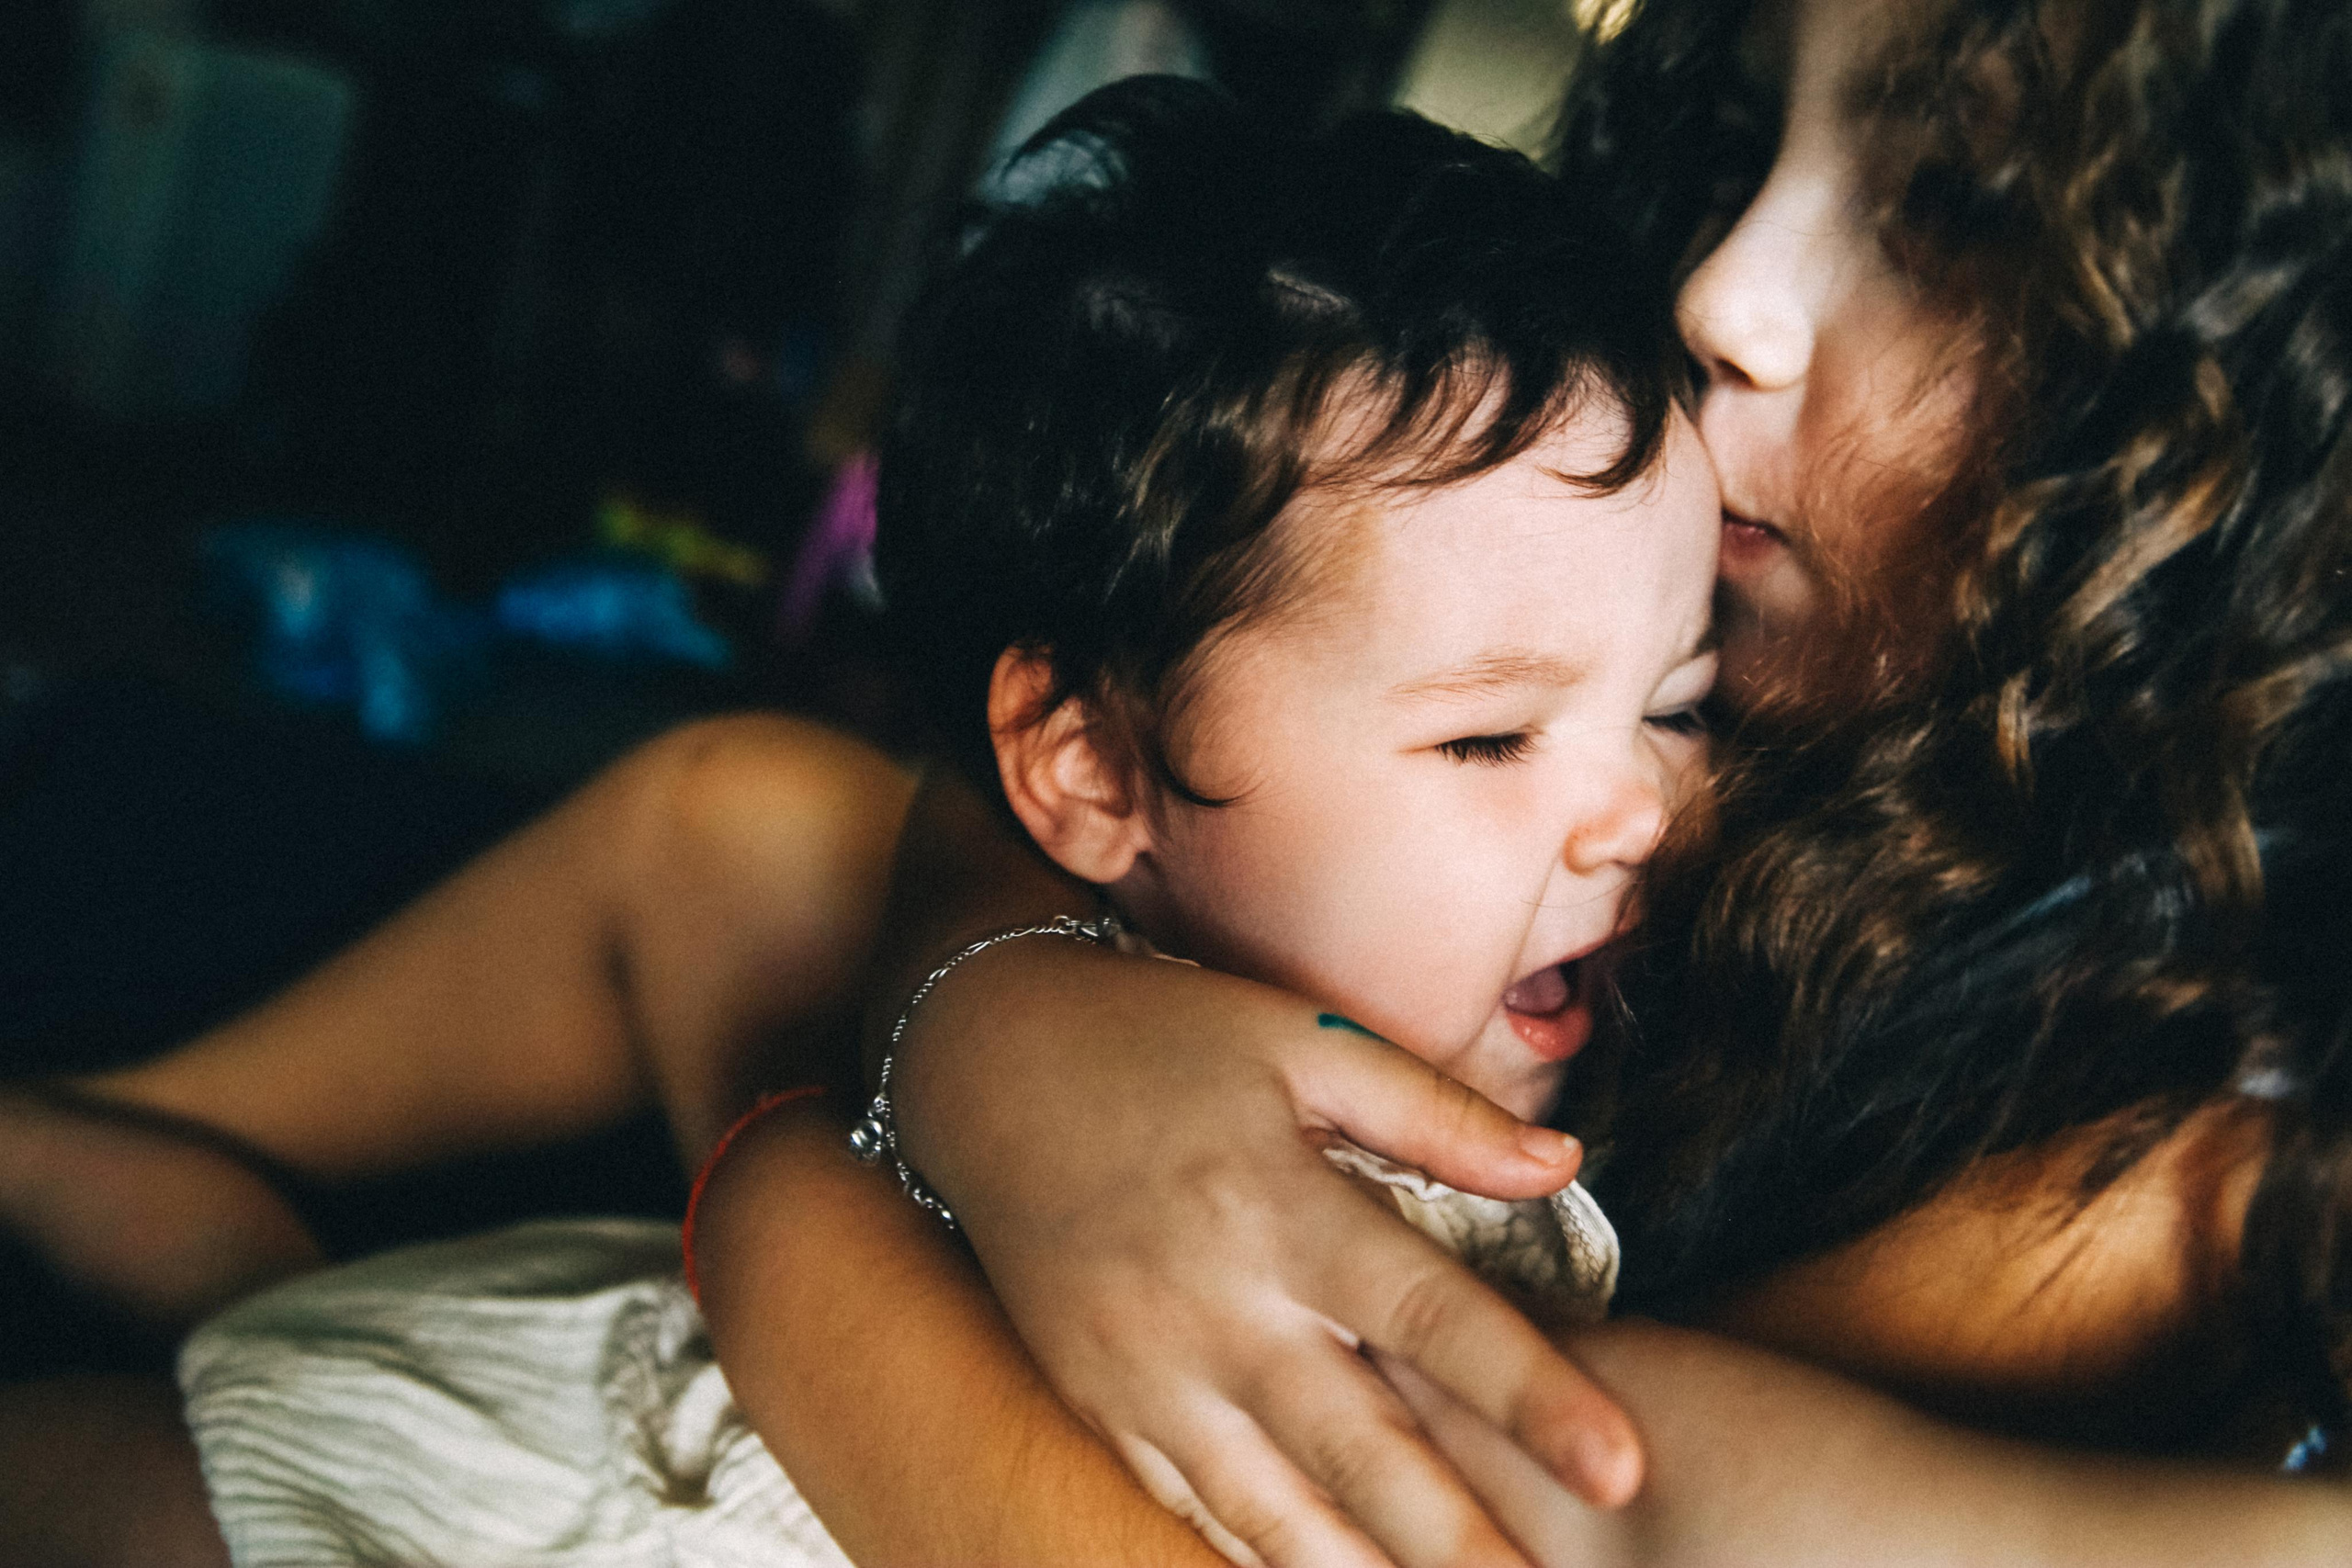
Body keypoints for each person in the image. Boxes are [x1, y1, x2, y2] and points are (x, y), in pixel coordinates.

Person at [5, 0, 2348, 1561]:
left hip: (700, 1408)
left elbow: (1617, 1510)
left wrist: (794, 1181)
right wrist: (1004, 1026)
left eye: (1947, 206)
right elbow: (972, 809)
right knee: (724, 814)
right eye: (1748, 139)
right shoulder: (1860, 691)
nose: (1723, 285)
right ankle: (121, 1149)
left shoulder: (2163, 1170)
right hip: (633, 1341)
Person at [159, 83, 1714, 1564]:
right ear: (1094, 772)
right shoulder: (1063, 1022)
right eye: (1490, 735)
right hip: (468, 1448)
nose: (1641, 808)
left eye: (1683, 703)